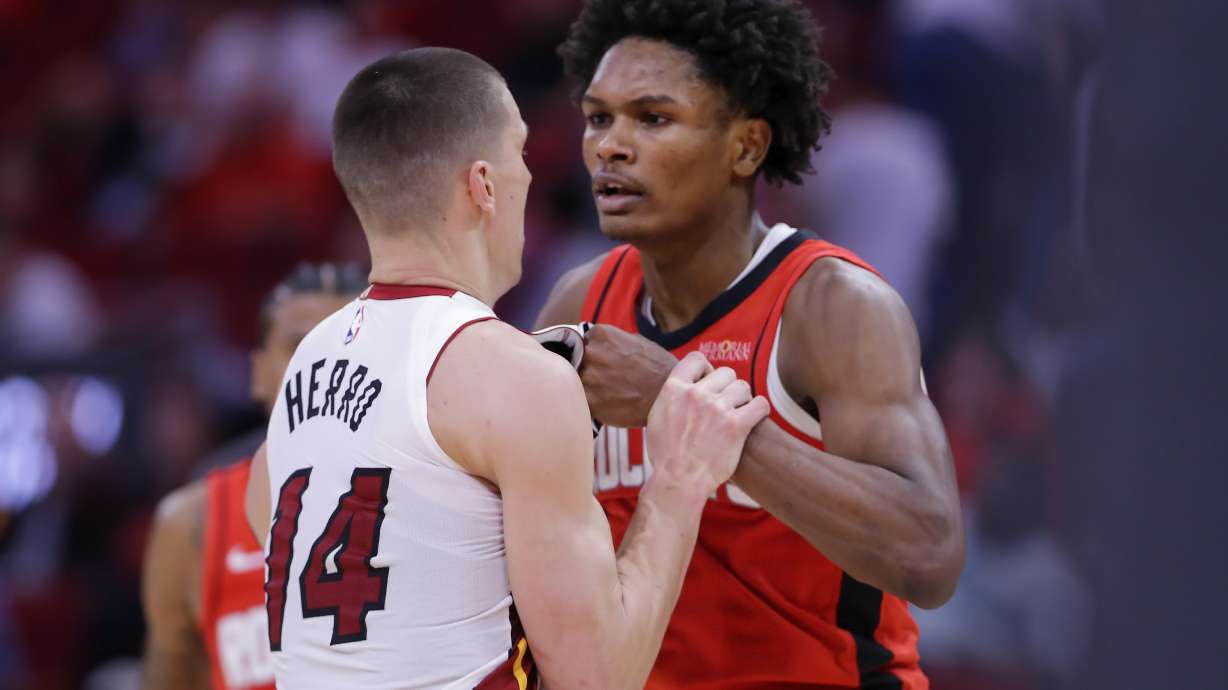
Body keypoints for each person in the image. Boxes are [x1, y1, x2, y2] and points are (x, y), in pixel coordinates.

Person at [244, 47, 769, 690]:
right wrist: (681, 479)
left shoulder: (306, 362)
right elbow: (597, 678)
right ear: (484, 185)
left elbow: (286, 525)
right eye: (519, 154)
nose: (529, 177)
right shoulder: (513, 376)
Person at [535, 1, 966, 687]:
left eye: (652, 118)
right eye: (598, 117)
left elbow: (930, 553)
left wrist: (682, 408)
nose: (612, 145)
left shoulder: (832, 306)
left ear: (746, 147)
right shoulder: (577, 303)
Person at [141, 263, 367, 690]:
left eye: (349, 342)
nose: (325, 364)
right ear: (258, 373)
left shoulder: (439, 494)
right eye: (299, 345)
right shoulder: (191, 525)